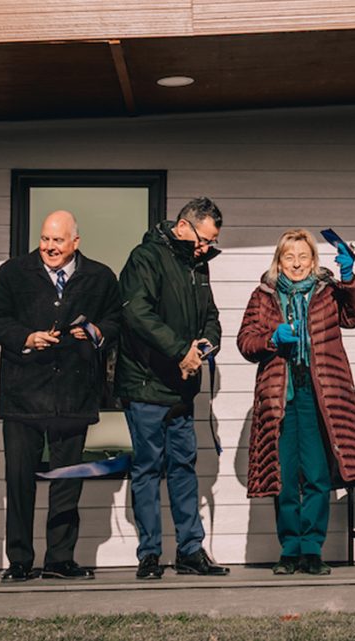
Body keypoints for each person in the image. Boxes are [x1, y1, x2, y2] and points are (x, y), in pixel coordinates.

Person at [0, 210, 121, 582]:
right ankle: (19, 561)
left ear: (75, 242)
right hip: (23, 395)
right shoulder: (14, 272)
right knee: (19, 480)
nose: (49, 247)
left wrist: (94, 331)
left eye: (58, 241)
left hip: (73, 395)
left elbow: (115, 322)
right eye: (45, 239)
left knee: (66, 481)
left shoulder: (100, 276)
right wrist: (26, 338)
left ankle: (60, 560)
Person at [237, 229, 355, 575]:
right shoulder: (263, 296)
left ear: (314, 260)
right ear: (279, 261)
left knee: (316, 476)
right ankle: (290, 549)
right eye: (289, 257)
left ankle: (312, 548)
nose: (297, 264)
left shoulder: (329, 292)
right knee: (282, 476)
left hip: (320, 396)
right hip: (279, 397)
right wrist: (271, 338)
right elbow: (245, 341)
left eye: (303, 257)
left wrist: (348, 278)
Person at [117, 197, 229, 580]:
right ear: (183, 225)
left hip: (182, 387)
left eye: (210, 243)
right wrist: (180, 350)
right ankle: (150, 554)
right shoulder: (145, 258)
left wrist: (204, 345)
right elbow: (136, 313)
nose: (205, 248)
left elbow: (210, 315)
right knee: (148, 469)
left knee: (183, 467)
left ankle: (190, 551)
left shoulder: (197, 265)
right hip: (146, 384)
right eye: (202, 240)